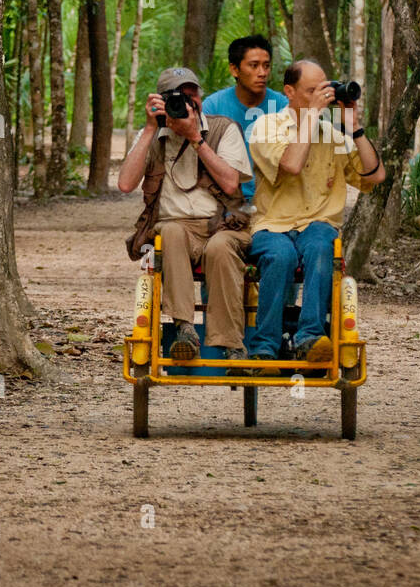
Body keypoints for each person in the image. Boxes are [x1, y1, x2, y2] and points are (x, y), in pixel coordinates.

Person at [246, 59, 386, 366]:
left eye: (324, 88)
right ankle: (265, 345)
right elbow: (291, 165)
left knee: (323, 245)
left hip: (317, 224)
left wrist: (355, 128)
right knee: (280, 256)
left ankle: (310, 338)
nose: (321, 96)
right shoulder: (266, 126)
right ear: (289, 92)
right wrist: (311, 116)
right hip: (273, 224)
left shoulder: (334, 135)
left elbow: (374, 177)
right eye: (312, 90)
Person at [117, 67, 253, 363]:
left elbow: (231, 183)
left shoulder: (223, 128)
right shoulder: (153, 134)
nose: (188, 102)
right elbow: (126, 184)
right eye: (178, 96)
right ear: (162, 101)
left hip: (223, 225)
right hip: (177, 227)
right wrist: (151, 128)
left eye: (193, 94)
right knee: (170, 232)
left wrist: (195, 137)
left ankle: (230, 344)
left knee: (220, 248)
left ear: (200, 97)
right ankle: (185, 329)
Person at [201, 35, 288, 207]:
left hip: (274, 201)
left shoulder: (282, 106)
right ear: (234, 70)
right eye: (254, 66)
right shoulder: (213, 106)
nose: (262, 73)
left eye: (266, 66)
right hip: (224, 200)